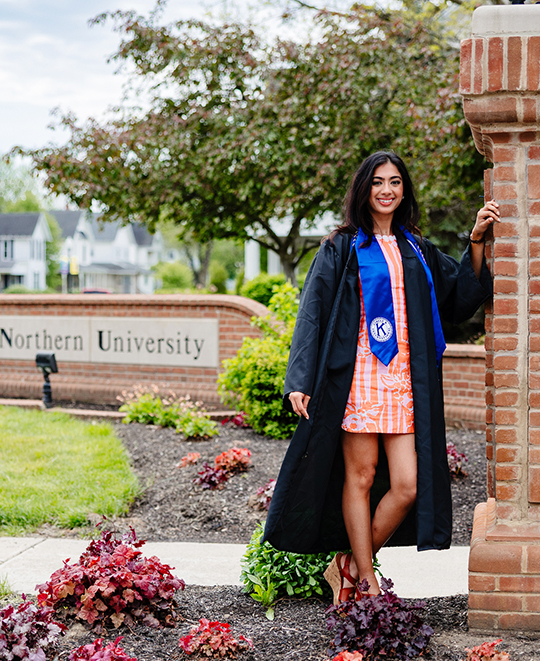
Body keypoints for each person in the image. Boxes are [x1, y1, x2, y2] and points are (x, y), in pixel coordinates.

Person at [263, 151, 497, 604]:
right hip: (360, 376)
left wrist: (477, 242)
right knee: (363, 476)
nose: (386, 190)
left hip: (405, 379)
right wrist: (300, 378)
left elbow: (458, 294)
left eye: (394, 181)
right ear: (363, 190)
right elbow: (312, 313)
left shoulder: (417, 248)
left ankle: (346, 566)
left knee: (407, 485)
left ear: (404, 189)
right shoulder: (342, 247)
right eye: (376, 182)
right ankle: (365, 581)